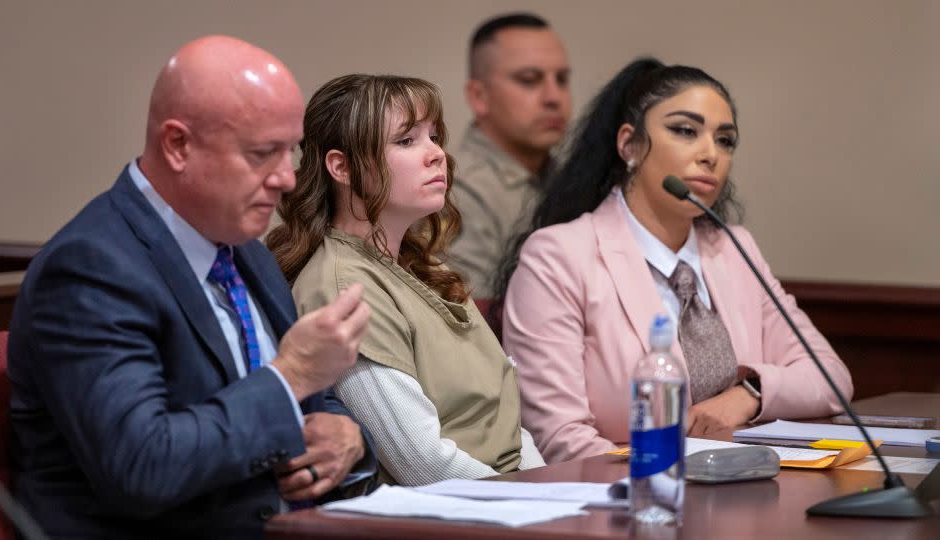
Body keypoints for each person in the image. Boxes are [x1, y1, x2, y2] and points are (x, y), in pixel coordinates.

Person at [7, 36, 376, 537]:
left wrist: (347, 438)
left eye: (289, 151)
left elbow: (313, 404)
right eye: (262, 153)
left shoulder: (244, 250)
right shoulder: (90, 268)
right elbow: (142, 466)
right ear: (178, 145)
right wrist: (290, 376)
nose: (287, 178)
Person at [497, 58, 854, 463]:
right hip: (625, 503)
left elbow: (830, 377)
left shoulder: (735, 249)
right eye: (685, 131)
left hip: (742, 490)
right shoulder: (559, 256)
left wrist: (749, 395)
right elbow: (558, 436)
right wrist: (670, 484)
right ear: (629, 144)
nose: (710, 154)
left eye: (725, 140)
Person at [266, 73, 545, 486]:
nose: (437, 155)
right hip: (459, 515)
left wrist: (551, 488)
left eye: (434, 136)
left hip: (511, 498)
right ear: (341, 167)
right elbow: (423, 465)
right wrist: (538, 504)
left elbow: (508, 429)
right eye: (407, 140)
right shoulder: (343, 288)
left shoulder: (429, 269)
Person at [448, 12, 572, 297]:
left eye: (562, 79)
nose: (554, 97)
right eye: (530, 80)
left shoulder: (568, 177)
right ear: (479, 97)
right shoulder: (456, 191)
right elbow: (465, 322)